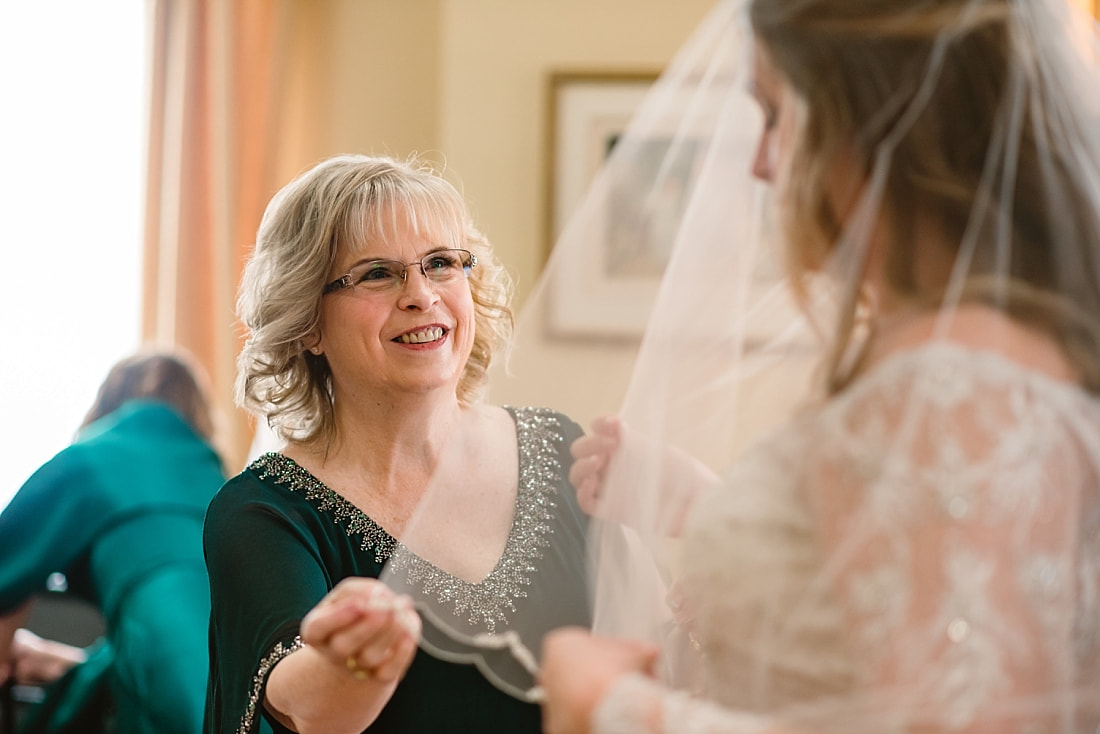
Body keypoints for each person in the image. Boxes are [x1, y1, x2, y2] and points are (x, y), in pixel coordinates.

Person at [532, 0, 1100, 732]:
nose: (761, 164)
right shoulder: (1006, 355)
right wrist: (708, 505)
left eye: (773, 114)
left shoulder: (954, 392)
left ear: (874, 119)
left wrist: (610, 708)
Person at [203, 153, 591, 734]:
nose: (421, 295)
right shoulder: (263, 514)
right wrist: (354, 661)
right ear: (307, 320)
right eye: (378, 273)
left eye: (440, 263)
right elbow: (308, 707)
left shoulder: (561, 450)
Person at [0, 348, 228, 733]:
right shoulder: (223, 483)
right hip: (247, 673)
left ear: (109, 398)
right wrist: (67, 665)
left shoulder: (90, 458)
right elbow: (190, 640)